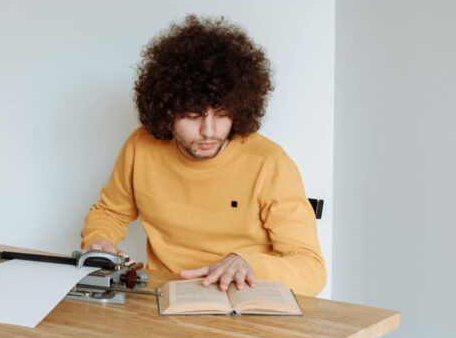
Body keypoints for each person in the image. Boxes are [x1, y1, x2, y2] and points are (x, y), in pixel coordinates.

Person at [80, 15, 326, 296]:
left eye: (222, 115)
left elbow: (312, 271)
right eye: (193, 116)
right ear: (167, 112)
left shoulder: (268, 164)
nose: (209, 131)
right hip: (167, 299)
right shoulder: (141, 147)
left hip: (247, 301)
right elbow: (111, 212)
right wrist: (99, 239)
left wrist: (249, 263)